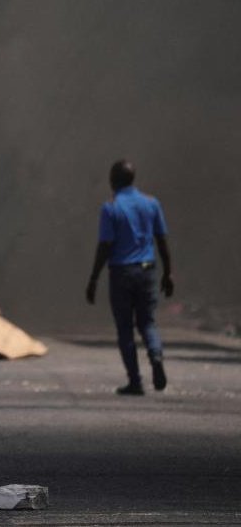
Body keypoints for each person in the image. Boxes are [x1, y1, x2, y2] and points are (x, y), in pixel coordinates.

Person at [86, 159, 174, 396]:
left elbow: (105, 245)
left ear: (113, 181)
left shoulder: (111, 207)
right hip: (147, 270)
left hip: (121, 273)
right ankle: (156, 356)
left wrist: (94, 277)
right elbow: (162, 240)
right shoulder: (151, 203)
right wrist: (168, 272)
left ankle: (135, 381)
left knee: (125, 328)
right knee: (148, 322)